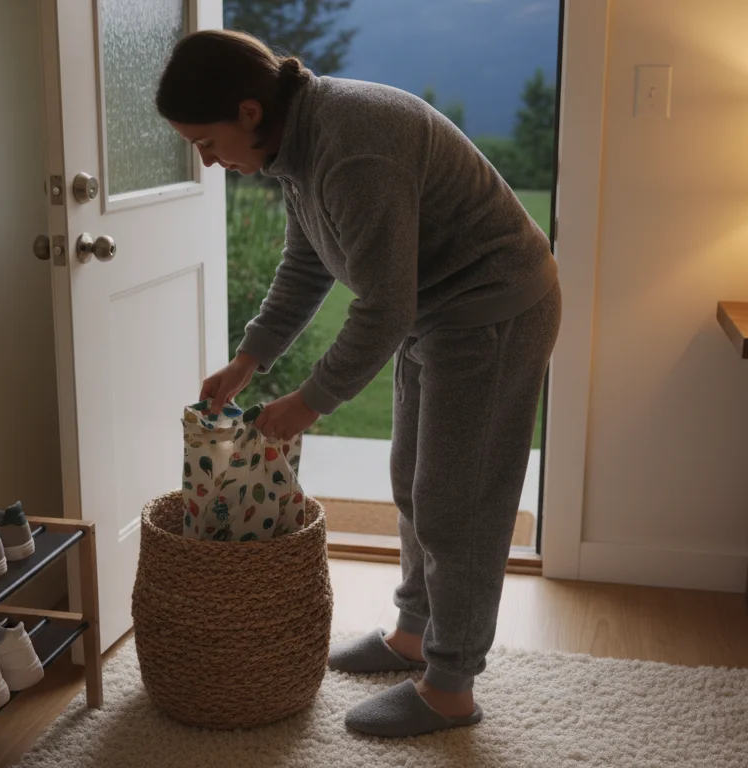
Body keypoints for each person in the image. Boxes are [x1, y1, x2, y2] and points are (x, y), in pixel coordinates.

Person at [155, 29, 561, 738]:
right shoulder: (296, 148)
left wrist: (308, 404)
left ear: (249, 110)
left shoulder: (352, 146)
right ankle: (412, 635)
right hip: (435, 315)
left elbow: (382, 306)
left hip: (493, 310)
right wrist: (249, 359)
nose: (208, 159)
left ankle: (450, 687)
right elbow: (309, 266)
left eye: (205, 139)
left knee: (456, 503)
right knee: (411, 480)